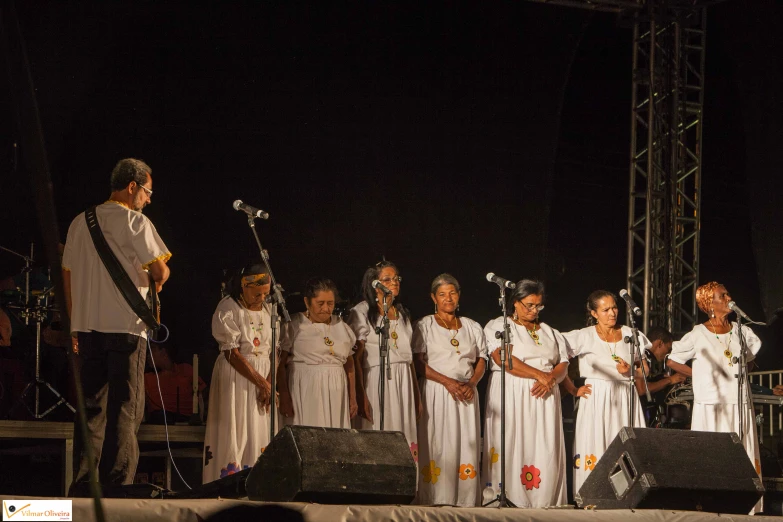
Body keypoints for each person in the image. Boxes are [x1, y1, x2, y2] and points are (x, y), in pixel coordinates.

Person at [63, 158, 171, 495]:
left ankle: (83, 485)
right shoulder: (135, 221)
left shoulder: (79, 222)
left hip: (86, 327)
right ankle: (117, 485)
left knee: (91, 408)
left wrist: (72, 325)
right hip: (125, 326)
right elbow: (159, 272)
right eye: (148, 192)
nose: (149, 199)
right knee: (126, 407)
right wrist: (162, 276)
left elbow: (66, 277)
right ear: (132, 187)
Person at [667, 281, 762, 514]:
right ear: (710, 303)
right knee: (714, 454)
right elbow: (672, 360)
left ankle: (748, 505)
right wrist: (698, 373)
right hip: (711, 404)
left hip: (738, 403)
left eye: (728, 293)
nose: (729, 297)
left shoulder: (741, 330)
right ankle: (711, 503)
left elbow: (750, 359)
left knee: (743, 452)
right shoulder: (698, 334)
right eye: (723, 295)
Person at [481, 280, 568, 508]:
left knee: (543, 445)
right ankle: (509, 497)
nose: (533, 310)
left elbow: (563, 364)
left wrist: (550, 379)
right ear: (515, 302)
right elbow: (503, 358)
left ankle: (543, 499)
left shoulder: (550, 331)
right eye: (529, 305)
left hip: (546, 395)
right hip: (515, 392)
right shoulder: (500, 325)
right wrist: (540, 375)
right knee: (514, 441)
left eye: (538, 306)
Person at [562, 290, 648, 498]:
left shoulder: (630, 333)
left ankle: (627, 496)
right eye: (605, 309)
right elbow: (558, 359)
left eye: (614, 308)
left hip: (625, 396)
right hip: (597, 397)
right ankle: (593, 496)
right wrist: (572, 388)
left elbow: (644, 369)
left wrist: (630, 371)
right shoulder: (583, 335)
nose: (612, 313)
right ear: (594, 313)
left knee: (624, 446)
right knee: (596, 443)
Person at [413, 273, 487, 507]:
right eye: (442, 294)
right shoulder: (424, 325)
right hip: (437, 391)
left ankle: (463, 499)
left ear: (459, 296)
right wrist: (447, 382)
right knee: (438, 442)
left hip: (465, 393)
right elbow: (418, 362)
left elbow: (481, 360)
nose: (448, 298)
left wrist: (472, 383)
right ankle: (436, 498)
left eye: (452, 293)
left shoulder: (472, 326)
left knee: (466, 442)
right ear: (433, 297)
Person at [203, 265, 277, 482]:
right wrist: (261, 382)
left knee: (258, 433)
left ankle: (257, 483)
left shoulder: (269, 310)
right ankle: (228, 484)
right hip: (237, 375)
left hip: (262, 377)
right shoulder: (228, 308)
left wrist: (269, 385)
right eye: (257, 294)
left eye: (265, 293)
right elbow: (231, 353)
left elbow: (275, 350)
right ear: (243, 287)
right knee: (236, 431)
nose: (261, 298)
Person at [347, 261, 421, 460]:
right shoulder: (361, 312)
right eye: (387, 279)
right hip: (376, 379)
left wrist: (417, 396)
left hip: (403, 381)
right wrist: (361, 395)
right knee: (379, 433)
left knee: (403, 434)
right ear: (374, 283)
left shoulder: (403, 313)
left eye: (396, 278)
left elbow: (410, 359)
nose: (394, 282)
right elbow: (357, 357)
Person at [277, 278, 358, 428]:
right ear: (307, 302)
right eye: (320, 303)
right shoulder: (294, 325)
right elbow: (280, 365)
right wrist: (284, 396)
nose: (326, 309)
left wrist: (352, 397)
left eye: (330, 303)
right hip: (306, 388)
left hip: (336, 390)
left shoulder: (342, 326)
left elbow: (350, 364)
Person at [633, 326, 687, 427]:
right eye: (668, 348)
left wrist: (662, 379)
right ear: (660, 343)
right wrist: (670, 380)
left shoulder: (651, 359)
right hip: (637, 412)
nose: (668, 352)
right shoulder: (641, 355)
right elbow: (642, 389)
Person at [144, 341, 206, 424]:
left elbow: (203, 393)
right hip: (158, 421)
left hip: (186, 421)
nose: (148, 355)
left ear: (163, 352)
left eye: (152, 350)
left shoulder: (186, 370)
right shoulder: (146, 378)